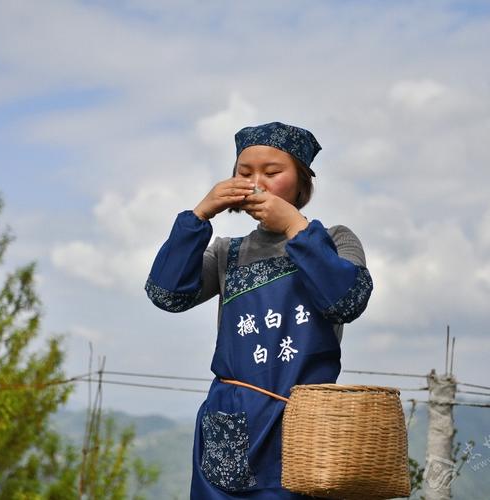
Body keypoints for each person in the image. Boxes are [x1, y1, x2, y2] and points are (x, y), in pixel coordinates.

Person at [145, 121, 373, 498]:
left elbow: (347, 301)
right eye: (244, 173)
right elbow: (165, 293)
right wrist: (199, 215)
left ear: (302, 183)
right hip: (231, 423)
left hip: (304, 424)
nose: (256, 183)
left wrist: (296, 228)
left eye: (272, 172)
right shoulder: (226, 253)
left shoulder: (335, 240)